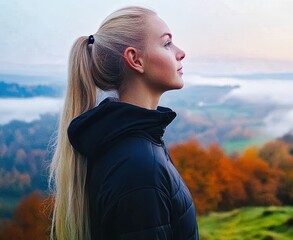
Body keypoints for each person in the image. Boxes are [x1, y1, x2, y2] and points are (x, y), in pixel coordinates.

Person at [49, 6, 198, 240]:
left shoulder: (137, 146)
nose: (181, 53)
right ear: (135, 59)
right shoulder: (139, 168)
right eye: (167, 43)